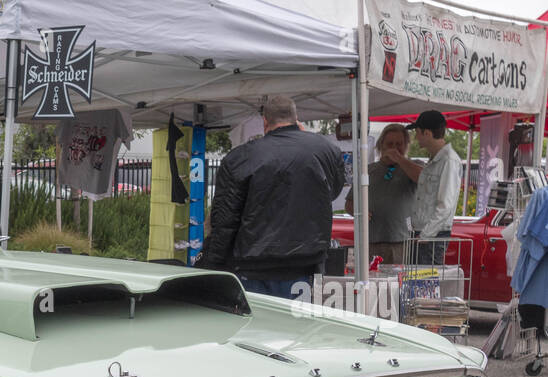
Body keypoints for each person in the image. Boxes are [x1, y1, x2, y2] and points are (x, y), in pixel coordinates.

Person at [196, 96, 345, 298]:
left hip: (254, 266)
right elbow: (331, 193)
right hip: (305, 263)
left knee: (257, 327)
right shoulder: (327, 151)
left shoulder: (242, 157)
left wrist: (213, 265)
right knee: (297, 328)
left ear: (265, 122)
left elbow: (224, 219)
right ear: (296, 118)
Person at [380, 109, 461, 266]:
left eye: (417, 133)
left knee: (425, 285)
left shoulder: (449, 161)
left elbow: (445, 205)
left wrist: (425, 235)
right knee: (416, 284)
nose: (416, 138)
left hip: (432, 236)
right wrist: (413, 230)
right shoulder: (435, 160)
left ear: (427, 133)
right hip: (422, 234)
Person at [345, 123, 416, 264]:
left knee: (399, 283)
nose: (394, 148)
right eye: (390, 144)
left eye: (399, 144)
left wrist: (400, 159)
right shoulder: (367, 170)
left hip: (401, 242)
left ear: (406, 145)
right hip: (369, 242)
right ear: (381, 145)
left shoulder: (412, 166)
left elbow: (423, 178)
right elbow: (350, 203)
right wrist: (358, 211)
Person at [512, 185, 548, 352]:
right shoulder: (543, 195)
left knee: (532, 304)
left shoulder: (541, 195)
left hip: (540, 265)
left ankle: (532, 343)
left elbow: (526, 235)